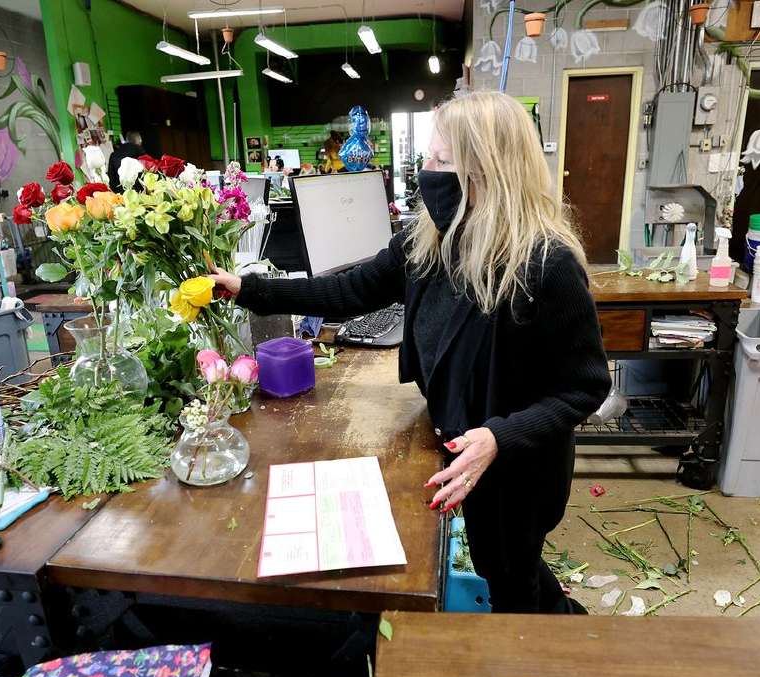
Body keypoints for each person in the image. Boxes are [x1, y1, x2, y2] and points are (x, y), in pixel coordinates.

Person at [211, 92, 609, 614]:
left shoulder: (544, 264)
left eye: (442, 161)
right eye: (427, 158)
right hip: (458, 443)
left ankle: (535, 656)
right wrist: (250, 288)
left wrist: (498, 438)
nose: (428, 173)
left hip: (515, 465)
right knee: (507, 563)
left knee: (509, 569)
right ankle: (564, 624)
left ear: (487, 171)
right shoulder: (428, 241)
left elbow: (586, 385)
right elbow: (348, 291)